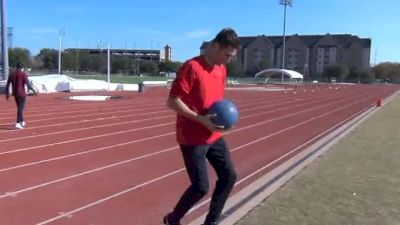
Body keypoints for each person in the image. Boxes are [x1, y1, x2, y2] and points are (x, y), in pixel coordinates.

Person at [164, 28, 239, 225]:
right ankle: (172, 220)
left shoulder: (221, 69)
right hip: (192, 136)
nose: (228, 60)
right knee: (200, 187)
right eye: (227, 55)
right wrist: (200, 118)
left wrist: (223, 121)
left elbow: (216, 102)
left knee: (229, 176)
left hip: (212, 134)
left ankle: (211, 222)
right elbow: (172, 102)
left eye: (231, 56)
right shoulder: (192, 67)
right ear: (214, 46)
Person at [5, 62, 37, 129]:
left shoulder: (11, 74)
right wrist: (34, 91)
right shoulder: (23, 74)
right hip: (22, 93)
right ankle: (17, 122)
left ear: (16, 67)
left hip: (15, 93)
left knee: (19, 107)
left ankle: (22, 121)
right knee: (20, 108)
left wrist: (7, 94)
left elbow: (7, 85)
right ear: (22, 68)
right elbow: (28, 85)